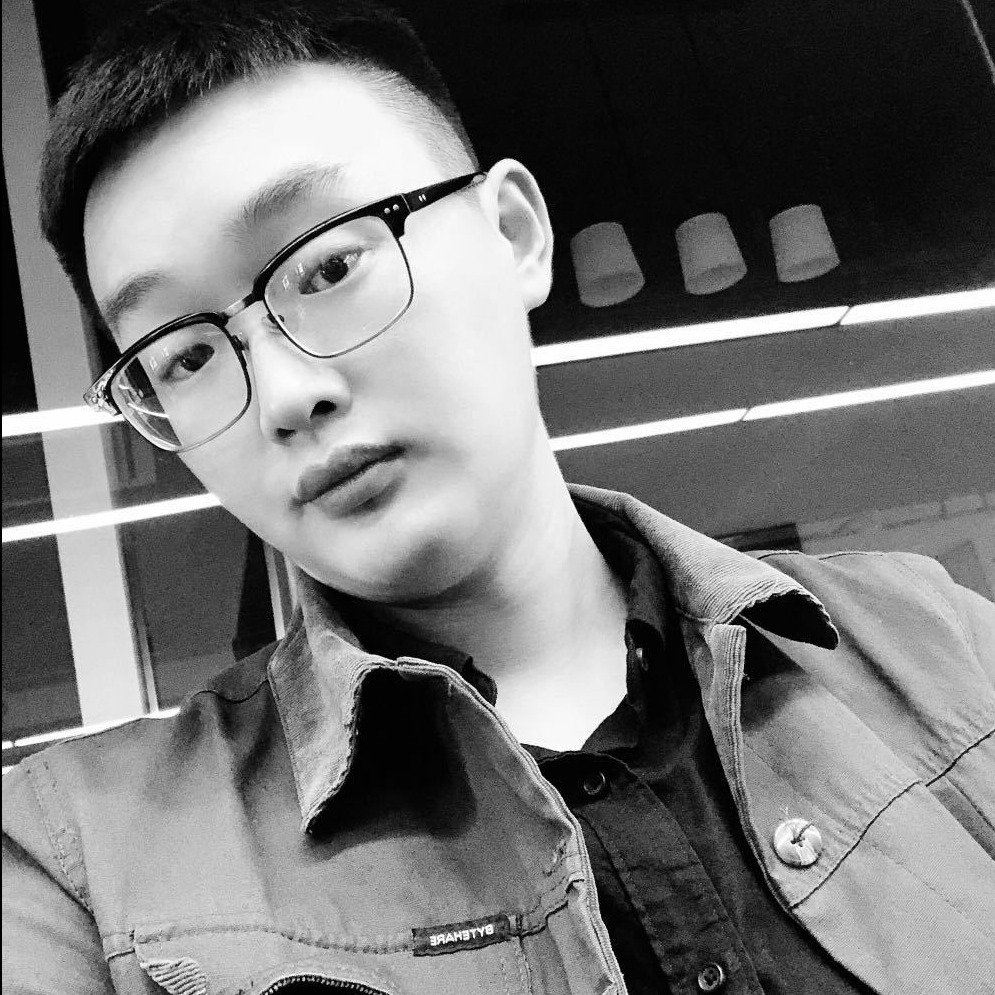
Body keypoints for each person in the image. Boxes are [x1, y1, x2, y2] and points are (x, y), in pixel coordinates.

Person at [3, 1, 994, 993]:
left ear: (512, 232)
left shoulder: (934, 644)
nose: (284, 395)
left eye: (330, 265)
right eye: (183, 356)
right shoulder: (83, 865)